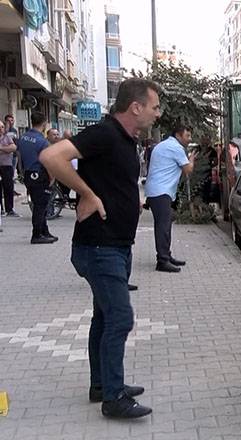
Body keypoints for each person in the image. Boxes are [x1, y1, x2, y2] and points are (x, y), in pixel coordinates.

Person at [39, 77, 162, 419]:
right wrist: (88, 194)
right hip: (99, 247)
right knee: (120, 318)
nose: (157, 113)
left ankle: (102, 385)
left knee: (104, 317)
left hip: (116, 246)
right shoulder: (105, 133)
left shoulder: (124, 139)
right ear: (135, 107)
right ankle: (114, 398)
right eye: (154, 107)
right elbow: (51, 156)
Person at [144, 125, 197, 273]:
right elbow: (188, 170)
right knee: (163, 226)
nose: (189, 139)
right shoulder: (176, 148)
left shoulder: (163, 145)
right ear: (178, 135)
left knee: (165, 225)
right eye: (187, 136)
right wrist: (192, 159)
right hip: (161, 192)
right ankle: (162, 261)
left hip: (156, 191)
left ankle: (166, 255)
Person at [17, 112, 56, 244]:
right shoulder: (42, 141)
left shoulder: (23, 137)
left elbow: (19, 156)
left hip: (28, 174)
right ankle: (37, 234)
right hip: (39, 174)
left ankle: (44, 231)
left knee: (38, 203)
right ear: (44, 124)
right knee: (41, 206)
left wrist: (21, 172)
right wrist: (52, 177)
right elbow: (48, 161)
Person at [0, 124, 19, 217]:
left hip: (6, 166)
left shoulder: (7, 138)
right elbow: (8, 149)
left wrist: (1, 148)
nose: (1, 129)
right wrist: (6, 149)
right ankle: (1, 209)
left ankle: (9, 209)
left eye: (2, 127)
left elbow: (13, 148)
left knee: (8, 187)